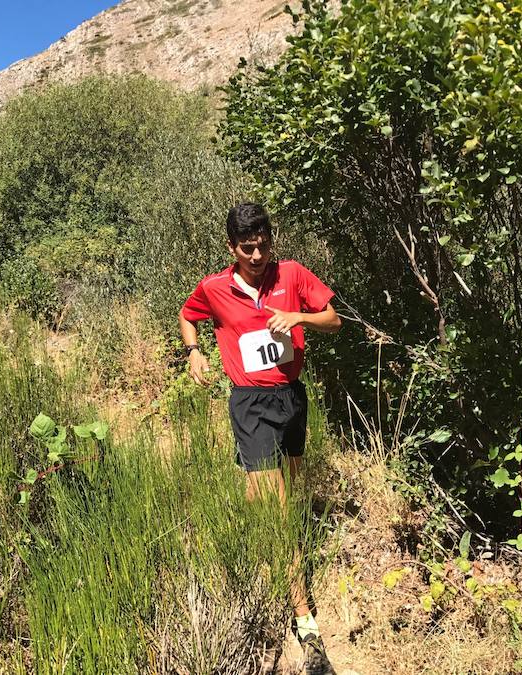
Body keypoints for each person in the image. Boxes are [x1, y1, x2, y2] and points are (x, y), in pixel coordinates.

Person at [178, 203, 341, 674]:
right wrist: (194, 353)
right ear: (232, 247)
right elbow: (188, 316)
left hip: (292, 399)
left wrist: (299, 318)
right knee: (276, 509)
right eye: (247, 247)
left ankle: (260, 527)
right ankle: (303, 614)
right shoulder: (214, 288)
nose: (257, 255)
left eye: (264, 244)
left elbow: (333, 319)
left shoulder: (290, 274)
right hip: (250, 403)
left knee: (289, 496)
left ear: (272, 239)